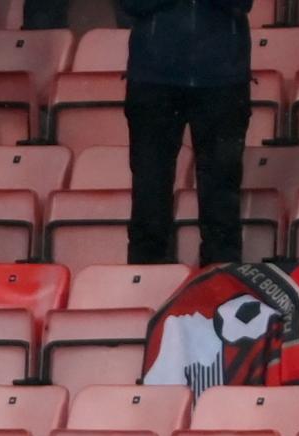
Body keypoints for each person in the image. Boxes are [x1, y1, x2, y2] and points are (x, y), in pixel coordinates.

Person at [119, 0, 252, 265]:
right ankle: (145, 278)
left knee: (221, 193)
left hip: (222, 79)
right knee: (149, 190)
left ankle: (220, 277)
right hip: (153, 78)